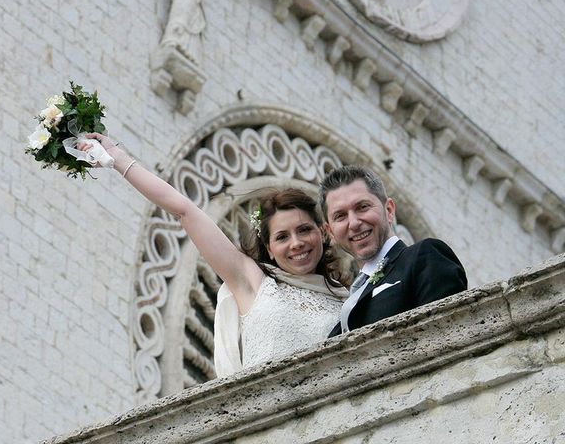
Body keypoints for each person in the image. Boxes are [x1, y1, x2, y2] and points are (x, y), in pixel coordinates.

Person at [77, 133, 348, 376]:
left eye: (304, 230)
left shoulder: (347, 298)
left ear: (323, 232)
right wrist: (119, 159)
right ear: (269, 249)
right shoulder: (253, 282)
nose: (296, 243)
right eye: (282, 237)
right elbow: (184, 210)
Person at [318, 165, 467, 336]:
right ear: (331, 232)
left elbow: (450, 336)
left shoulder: (425, 256)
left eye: (362, 207)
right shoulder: (345, 306)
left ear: (389, 210)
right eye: (340, 216)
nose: (354, 223)